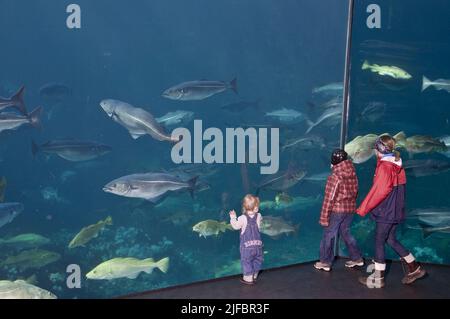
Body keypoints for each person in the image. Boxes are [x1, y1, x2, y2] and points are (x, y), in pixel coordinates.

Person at [356, 135, 426, 288]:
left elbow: (380, 191)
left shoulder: (385, 167)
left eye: (375, 148)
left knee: (379, 242)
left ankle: (377, 279)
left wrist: (363, 208)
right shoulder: (395, 163)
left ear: (379, 149)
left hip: (386, 211)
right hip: (395, 209)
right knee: (391, 240)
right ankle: (415, 268)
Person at [314, 149, 363, 272]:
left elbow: (329, 199)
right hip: (350, 209)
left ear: (333, 162)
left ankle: (325, 262)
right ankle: (357, 258)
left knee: (328, 235)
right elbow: (356, 192)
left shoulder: (335, 176)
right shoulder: (352, 173)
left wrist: (324, 217)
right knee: (346, 232)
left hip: (337, 210)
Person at [229, 194, 263, 285]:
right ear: (256, 208)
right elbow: (259, 226)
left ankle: (248, 279)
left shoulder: (242, 218)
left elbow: (235, 226)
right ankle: (255, 276)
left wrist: (233, 217)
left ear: (244, 207)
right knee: (257, 260)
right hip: (258, 246)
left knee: (247, 262)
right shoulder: (259, 216)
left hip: (247, 247)